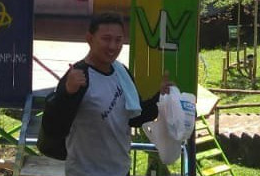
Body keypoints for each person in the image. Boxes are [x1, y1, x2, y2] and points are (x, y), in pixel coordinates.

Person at [40, 12, 170, 176]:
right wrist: (67, 93)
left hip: (121, 170)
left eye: (118, 40)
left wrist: (161, 97)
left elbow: (135, 118)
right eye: (106, 39)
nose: (113, 46)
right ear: (90, 38)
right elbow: (54, 128)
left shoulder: (122, 72)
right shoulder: (78, 77)